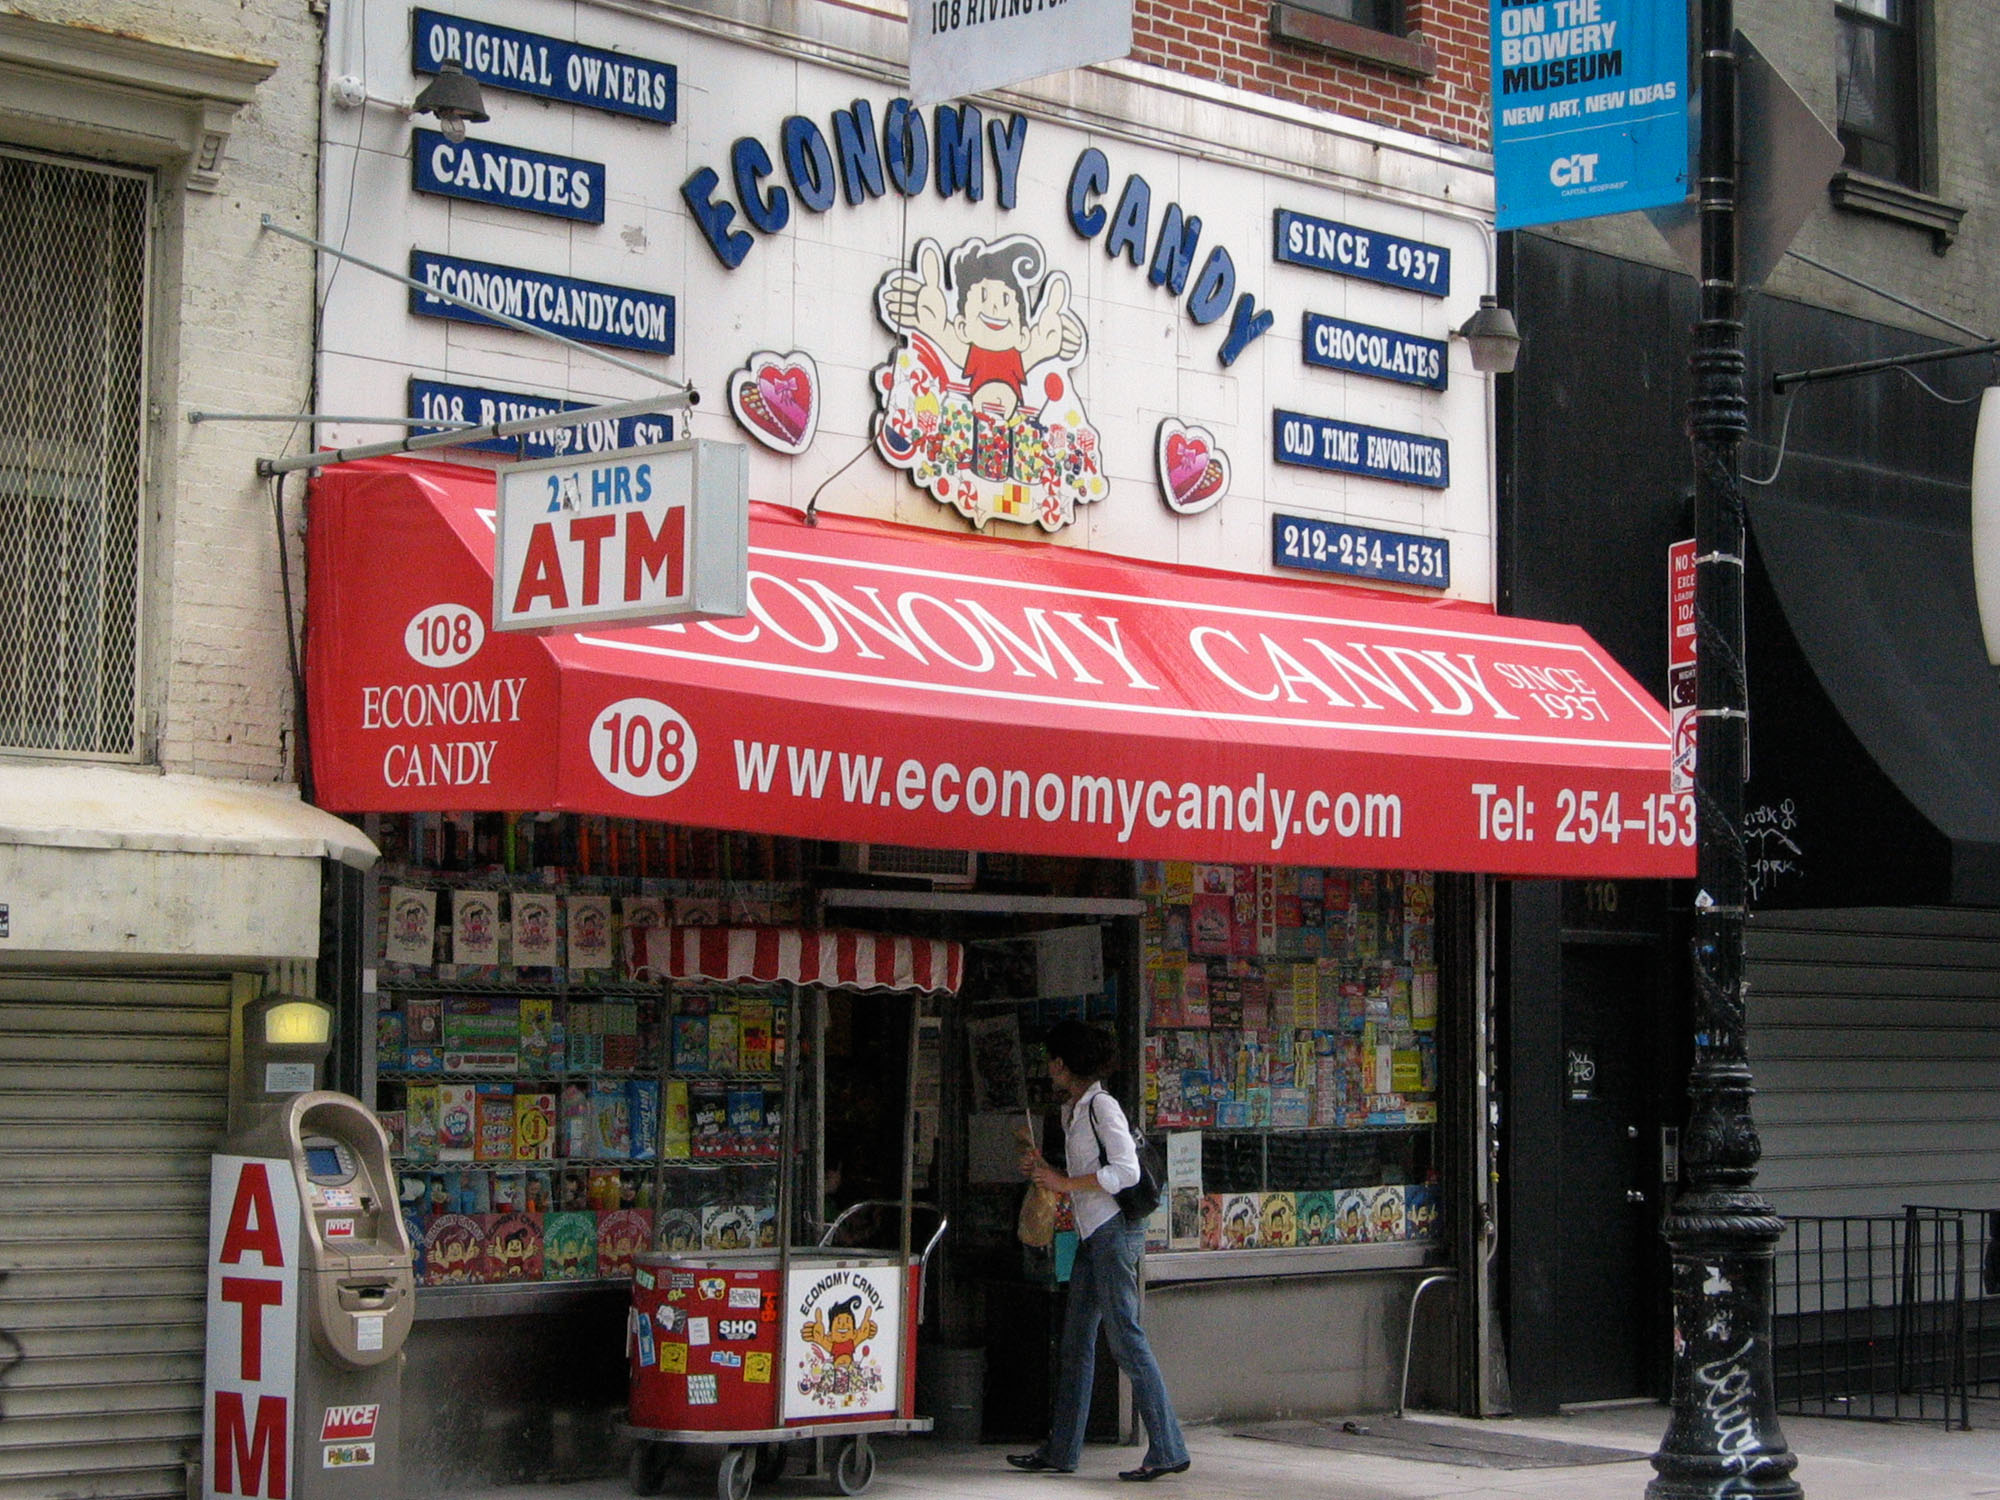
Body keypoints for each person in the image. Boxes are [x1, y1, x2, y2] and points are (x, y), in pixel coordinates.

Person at [1008, 1021, 1190, 1482]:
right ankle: (1062, 1450)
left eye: (1053, 1061)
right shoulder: (1076, 1109)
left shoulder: (1102, 1107)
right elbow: (1089, 1177)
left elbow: (1125, 1171)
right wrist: (1047, 1170)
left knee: (1126, 1340)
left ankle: (1168, 1448)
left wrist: (1064, 1182)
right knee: (1076, 1346)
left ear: (1066, 1065)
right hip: (1093, 1235)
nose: (1049, 1069)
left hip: (1111, 1234)